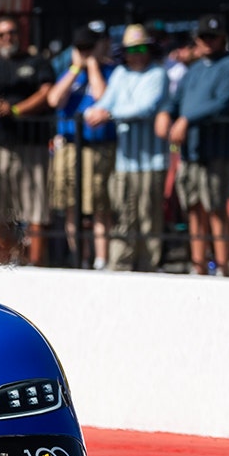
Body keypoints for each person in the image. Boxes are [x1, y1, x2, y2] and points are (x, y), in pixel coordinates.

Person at [155, 13, 229, 276]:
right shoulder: (193, 70)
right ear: (197, 39)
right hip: (191, 151)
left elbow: (221, 104)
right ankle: (199, 265)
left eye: (213, 37)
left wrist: (186, 119)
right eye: (204, 36)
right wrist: (165, 113)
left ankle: (222, 266)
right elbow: (176, 101)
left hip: (218, 149)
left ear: (222, 39)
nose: (208, 42)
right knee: (193, 206)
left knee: (216, 206)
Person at [85, 24, 169, 272]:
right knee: (123, 216)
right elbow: (105, 101)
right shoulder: (120, 73)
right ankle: (119, 266)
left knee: (148, 219)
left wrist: (108, 114)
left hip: (151, 161)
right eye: (132, 49)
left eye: (142, 48)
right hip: (124, 161)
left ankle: (148, 267)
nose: (137, 53)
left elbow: (146, 108)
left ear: (149, 49)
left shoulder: (158, 74)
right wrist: (94, 111)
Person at [0, 16, 55, 265]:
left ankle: (35, 265)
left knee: (36, 209)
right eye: (1, 34)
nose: (7, 38)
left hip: (32, 145)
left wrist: (17, 109)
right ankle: (4, 261)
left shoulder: (37, 62)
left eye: (11, 33)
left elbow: (47, 93)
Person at [47, 24, 116, 269]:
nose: (86, 51)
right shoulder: (69, 72)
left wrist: (94, 64)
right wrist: (76, 68)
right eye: (82, 48)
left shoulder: (110, 71)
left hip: (95, 147)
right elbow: (54, 99)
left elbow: (102, 96)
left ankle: (101, 259)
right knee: (70, 205)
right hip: (68, 147)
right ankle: (80, 257)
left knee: (97, 205)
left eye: (90, 46)